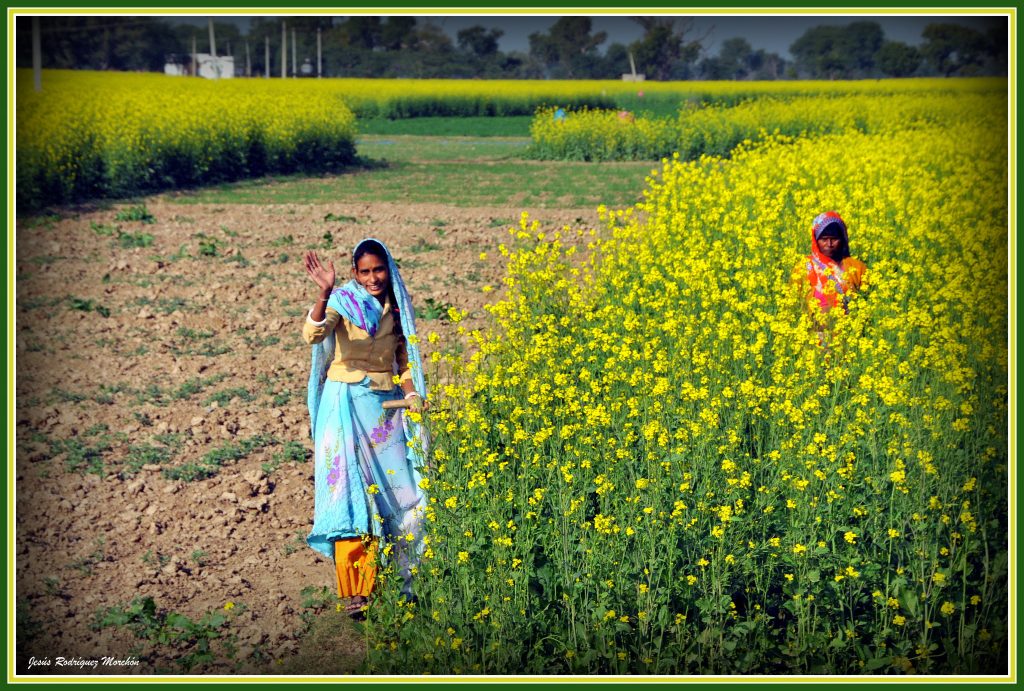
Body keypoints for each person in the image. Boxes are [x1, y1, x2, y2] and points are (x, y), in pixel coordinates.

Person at [301, 238, 429, 617]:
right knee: (350, 493)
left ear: (388, 269)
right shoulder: (342, 301)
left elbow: (403, 359)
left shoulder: (398, 308)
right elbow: (313, 335)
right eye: (365, 271)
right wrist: (324, 293)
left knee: (401, 492)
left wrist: (412, 394)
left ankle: (406, 581)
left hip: (382, 409)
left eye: (379, 269)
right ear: (355, 274)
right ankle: (359, 592)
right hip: (342, 405)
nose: (373, 278)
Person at [794, 211, 868, 317]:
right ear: (816, 240)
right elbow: (793, 302)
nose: (829, 244)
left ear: (843, 239)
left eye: (834, 239)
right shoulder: (805, 266)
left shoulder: (857, 268)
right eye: (824, 239)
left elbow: (868, 301)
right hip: (812, 332)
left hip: (850, 331)